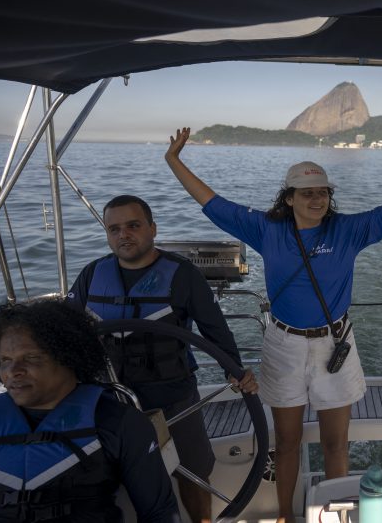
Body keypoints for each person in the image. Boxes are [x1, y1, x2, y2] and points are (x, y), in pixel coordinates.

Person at [164, 122, 382, 522]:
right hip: (283, 344)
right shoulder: (266, 229)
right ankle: (286, 514)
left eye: (323, 192)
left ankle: (332, 513)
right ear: (289, 198)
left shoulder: (348, 231)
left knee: (336, 444)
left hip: (334, 343)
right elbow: (212, 202)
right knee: (286, 442)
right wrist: (173, 160)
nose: (317, 199)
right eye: (307, 193)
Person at [67, 195, 257, 523]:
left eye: (133, 225)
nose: (124, 235)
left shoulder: (184, 275)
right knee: (102, 480)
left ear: (152, 229)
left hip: (173, 398)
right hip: (108, 403)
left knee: (193, 474)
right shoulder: (92, 274)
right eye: (114, 229)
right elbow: (66, 331)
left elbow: (216, 331)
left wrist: (235, 371)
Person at [0, 300, 181, 523]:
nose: (13, 371)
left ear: (69, 357)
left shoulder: (120, 423)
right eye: (5, 360)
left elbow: (160, 513)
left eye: (31, 357)